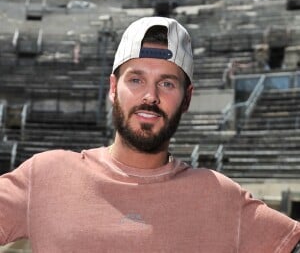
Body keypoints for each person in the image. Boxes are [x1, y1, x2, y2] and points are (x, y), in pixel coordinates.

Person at [0, 16, 299, 252]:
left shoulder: (221, 196)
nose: (150, 96)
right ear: (113, 88)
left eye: (167, 83)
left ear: (187, 98)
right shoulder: (45, 176)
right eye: (136, 79)